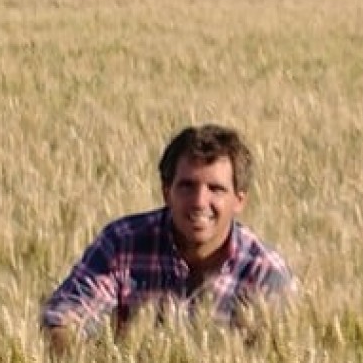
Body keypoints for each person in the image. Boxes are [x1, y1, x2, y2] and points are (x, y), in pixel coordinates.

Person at [42, 124, 295, 351]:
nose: (199, 202)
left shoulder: (264, 273)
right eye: (187, 186)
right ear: (166, 192)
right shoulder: (122, 244)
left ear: (239, 200)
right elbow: (63, 321)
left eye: (215, 189)